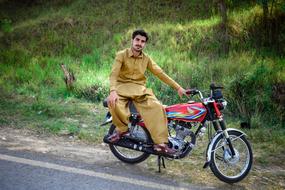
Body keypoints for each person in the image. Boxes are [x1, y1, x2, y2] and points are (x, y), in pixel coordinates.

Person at [107, 29, 186, 155]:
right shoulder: (121, 55)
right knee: (113, 102)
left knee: (157, 107)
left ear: (145, 44)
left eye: (143, 41)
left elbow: (160, 73)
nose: (139, 43)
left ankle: (160, 144)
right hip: (121, 88)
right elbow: (113, 75)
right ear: (132, 40)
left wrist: (178, 88)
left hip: (139, 90)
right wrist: (112, 91)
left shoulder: (146, 59)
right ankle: (121, 130)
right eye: (137, 40)